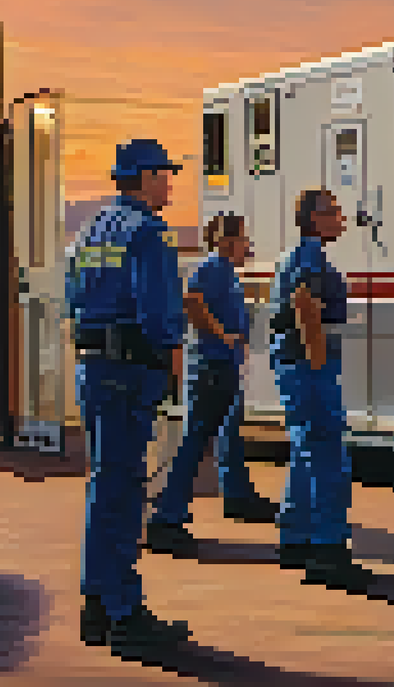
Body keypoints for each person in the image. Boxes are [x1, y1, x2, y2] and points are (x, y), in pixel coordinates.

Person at [66, 138, 193, 655]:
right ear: (142, 177)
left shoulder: (93, 229)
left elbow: (74, 297)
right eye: (165, 173)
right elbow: (160, 314)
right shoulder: (149, 233)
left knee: (105, 485)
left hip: (94, 367)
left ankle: (96, 606)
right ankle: (124, 613)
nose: (170, 182)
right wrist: (171, 369)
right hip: (129, 370)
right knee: (123, 492)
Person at [145, 212, 281, 557]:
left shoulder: (227, 272)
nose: (247, 245)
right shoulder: (212, 268)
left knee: (228, 434)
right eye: (242, 239)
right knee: (194, 443)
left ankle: (237, 495)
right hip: (211, 367)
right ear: (227, 241)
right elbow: (192, 302)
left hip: (222, 365)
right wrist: (222, 335)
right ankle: (166, 517)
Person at [269, 187, 374, 591]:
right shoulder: (311, 259)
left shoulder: (293, 256)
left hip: (293, 365)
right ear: (315, 219)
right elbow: (304, 303)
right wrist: (317, 360)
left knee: (303, 452)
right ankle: (329, 550)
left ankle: (294, 538)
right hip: (308, 367)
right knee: (328, 456)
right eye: (333, 212)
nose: (341, 219)